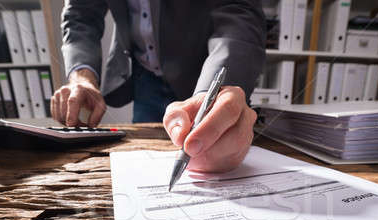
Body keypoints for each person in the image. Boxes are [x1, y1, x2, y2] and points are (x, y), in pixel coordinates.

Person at [53, 1, 266, 172]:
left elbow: (240, 11)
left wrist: (208, 93)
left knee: (218, 152)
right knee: (149, 165)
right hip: (144, 80)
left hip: (204, 73)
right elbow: (81, 15)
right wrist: (82, 75)